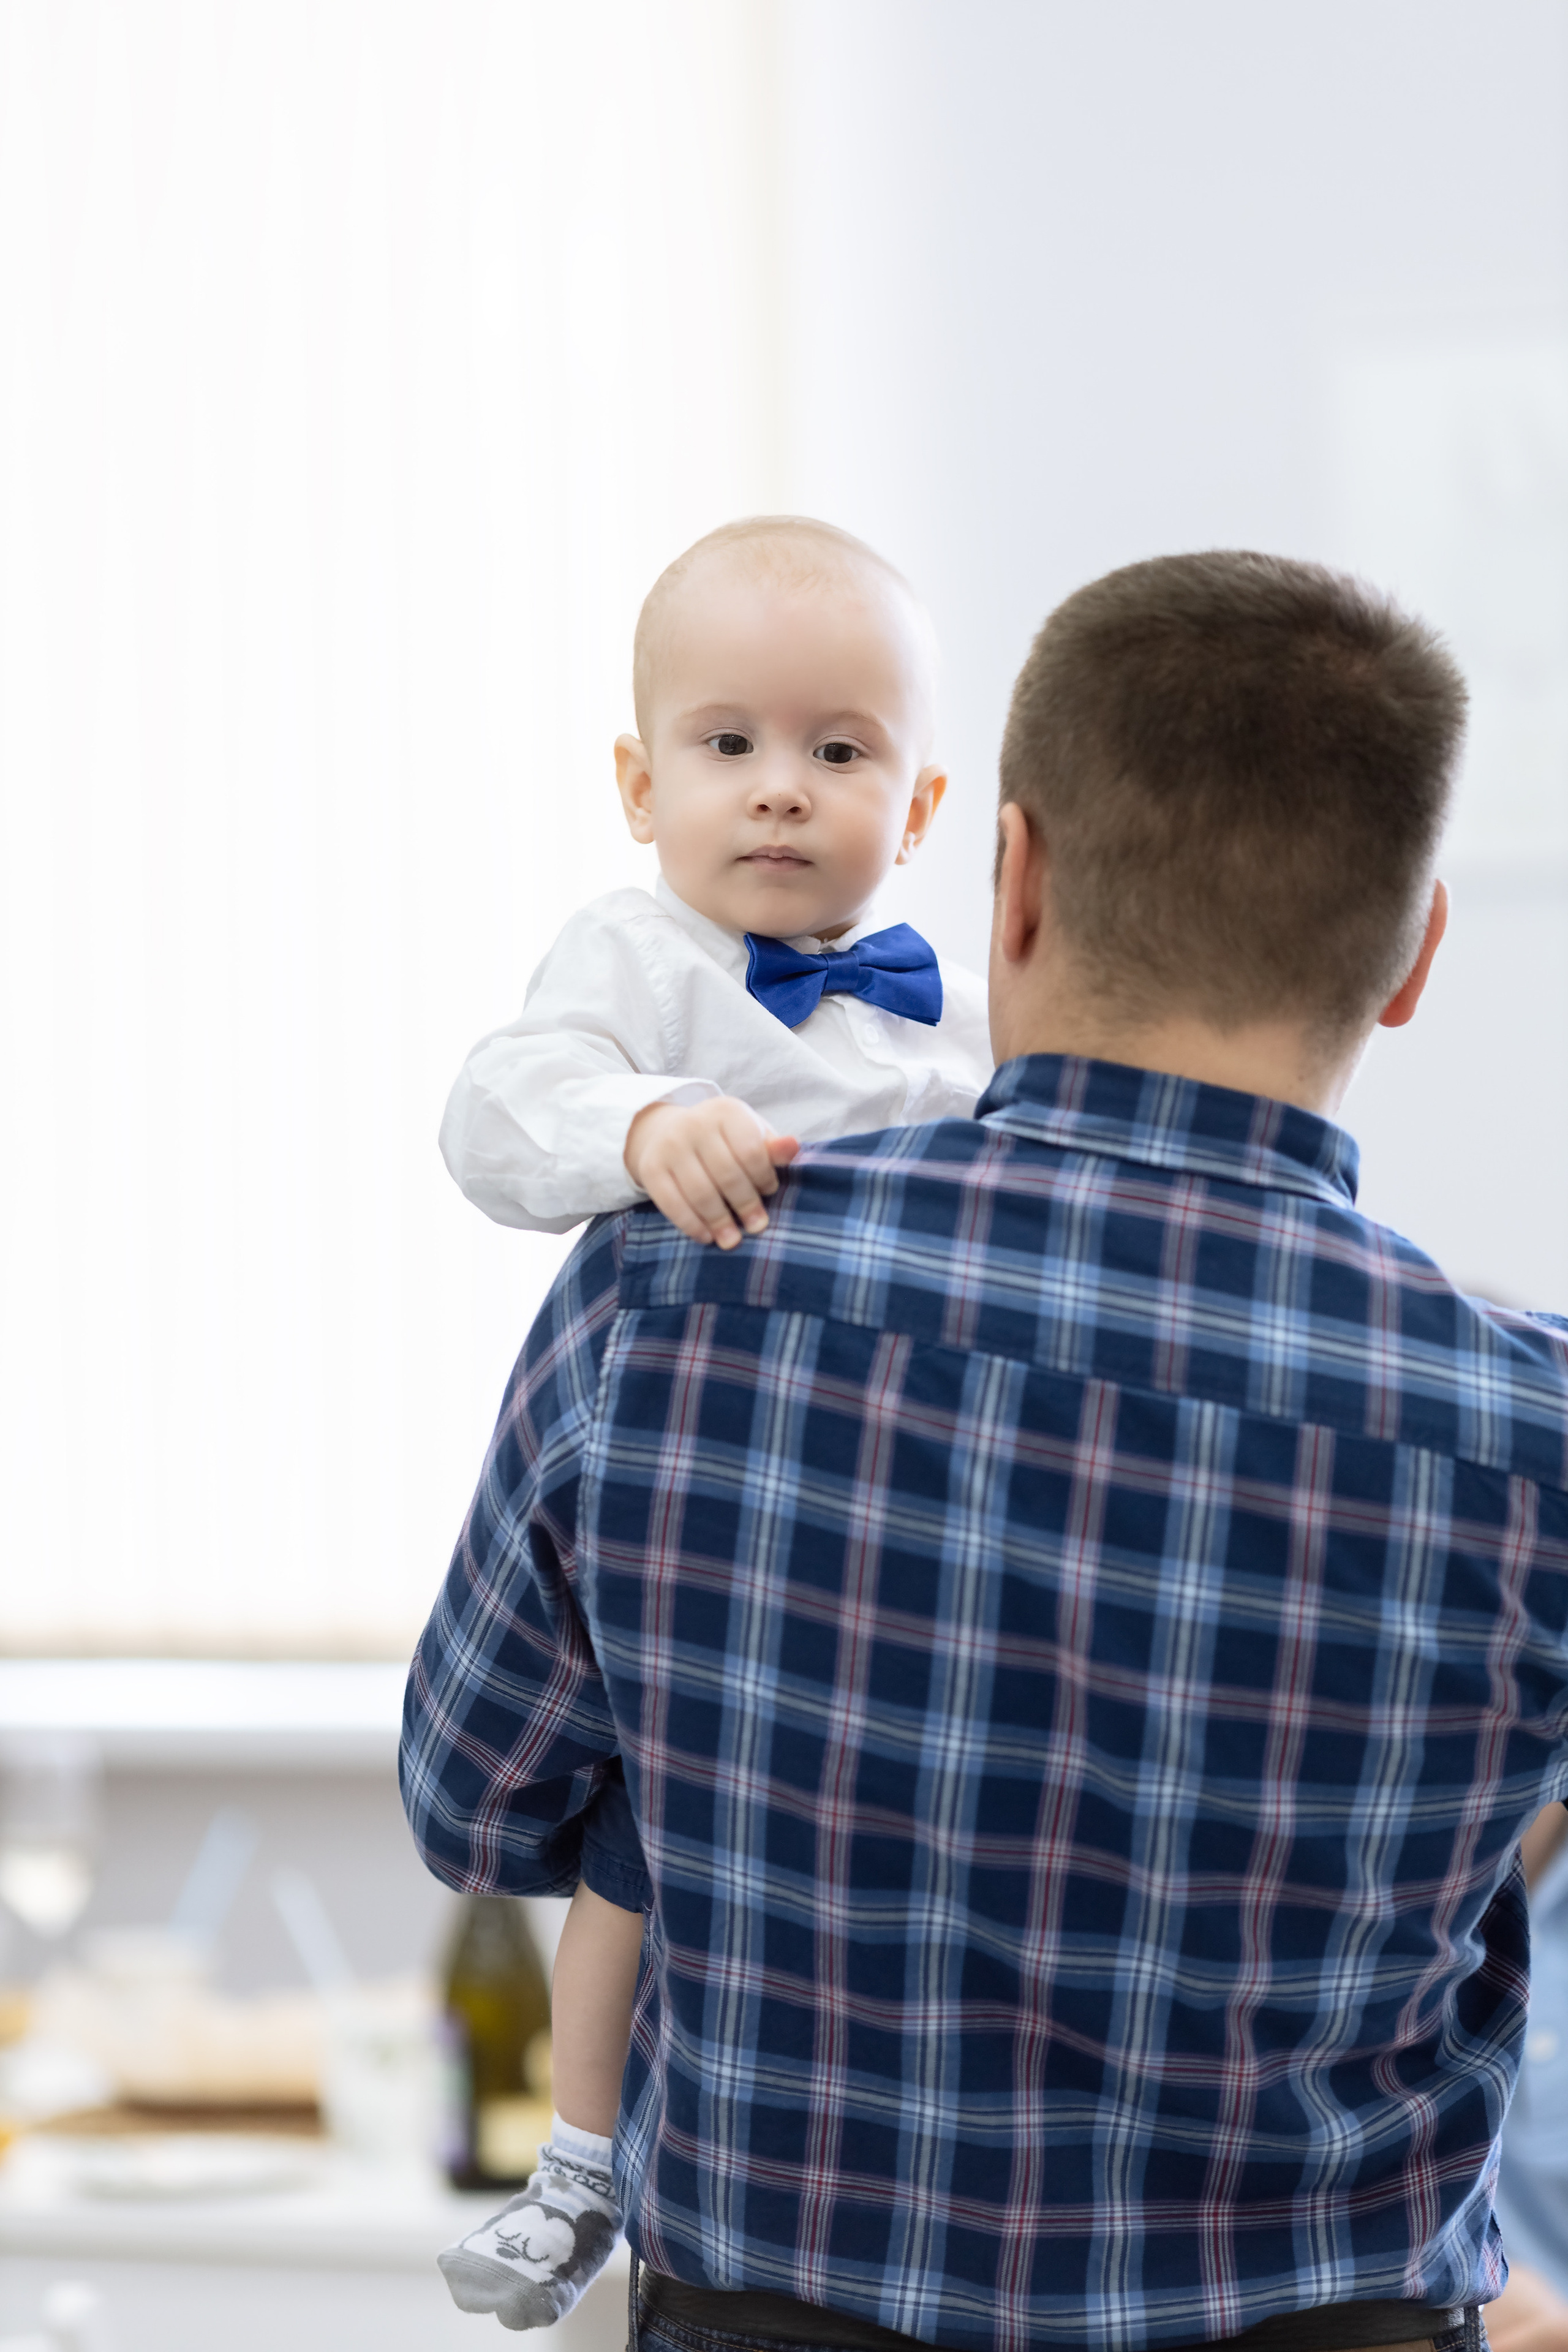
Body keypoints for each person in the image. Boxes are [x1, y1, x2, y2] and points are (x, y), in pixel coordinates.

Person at [402, 549, 1568, 2352]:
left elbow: (480, 1806)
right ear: (1411, 959)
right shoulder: (1531, 1434)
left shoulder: (666, 1283)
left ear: (1003, 876)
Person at [432, 514, 992, 2323]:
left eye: (840, 753)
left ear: (917, 813)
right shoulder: (633, 967)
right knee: (638, 1849)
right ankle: (577, 2166)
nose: (778, 793)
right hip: (712, 1521)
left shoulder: (955, 1029)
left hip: (902, 1512)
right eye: (728, 745)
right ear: (637, 780)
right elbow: (497, 1116)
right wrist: (644, 1118)